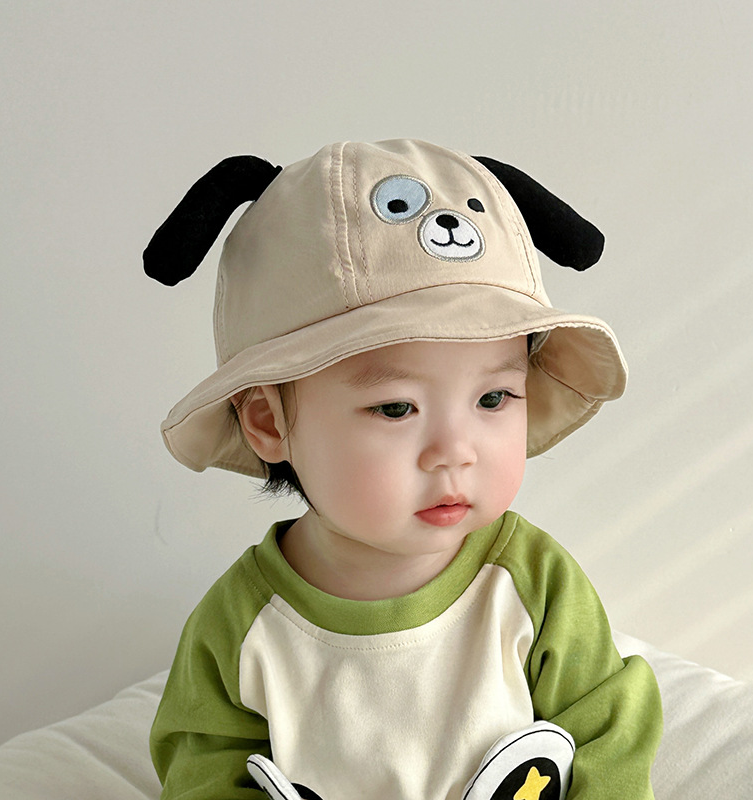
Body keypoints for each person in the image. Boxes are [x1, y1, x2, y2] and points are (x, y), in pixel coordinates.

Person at [144, 139, 663, 800]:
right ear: (270, 422)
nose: (455, 450)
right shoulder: (244, 626)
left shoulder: (532, 584)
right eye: (396, 407)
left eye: (493, 398)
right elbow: (203, 767)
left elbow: (607, 730)